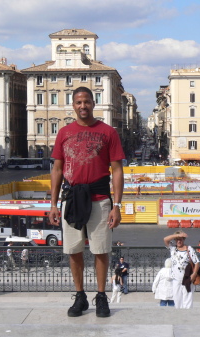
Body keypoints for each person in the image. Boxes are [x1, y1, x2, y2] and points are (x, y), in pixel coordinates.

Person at [48, 86, 125, 318]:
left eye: (87, 102)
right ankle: (80, 296)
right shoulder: (63, 133)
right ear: (73, 105)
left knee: (101, 250)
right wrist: (53, 204)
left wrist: (117, 206)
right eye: (79, 102)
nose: (83, 106)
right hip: (71, 198)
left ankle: (101, 296)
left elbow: (117, 170)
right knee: (74, 251)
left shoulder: (108, 132)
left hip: (100, 198)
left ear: (94, 103)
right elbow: (58, 169)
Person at [163, 231, 200, 309]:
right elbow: (165, 239)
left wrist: (194, 273)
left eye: (181, 239)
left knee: (187, 301)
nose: (179, 241)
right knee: (177, 301)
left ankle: (188, 317)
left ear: (184, 240)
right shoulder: (173, 248)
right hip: (176, 280)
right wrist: (177, 235)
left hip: (187, 279)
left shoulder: (189, 249)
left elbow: (197, 262)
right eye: (177, 239)